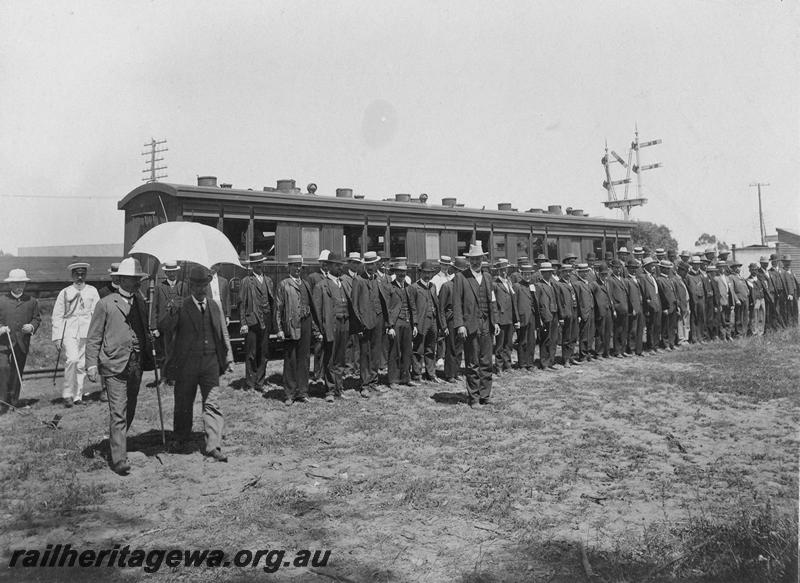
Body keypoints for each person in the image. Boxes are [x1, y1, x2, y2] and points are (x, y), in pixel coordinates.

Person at [85, 258, 153, 475]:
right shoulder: (105, 303)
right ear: (121, 280)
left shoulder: (141, 303)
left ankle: (117, 442)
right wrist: (91, 365)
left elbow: (144, 330)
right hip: (114, 365)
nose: (136, 283)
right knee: (118, 411)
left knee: (129, 408)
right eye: (132, 279)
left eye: (137, 279)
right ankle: (119, 459)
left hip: (135, 364)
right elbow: (94, 337)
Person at [162, 265, 232, 462]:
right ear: (190, 286)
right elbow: (165, 328)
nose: (201, 289)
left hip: (210, 364)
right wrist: (172, 311)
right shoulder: (181, 306)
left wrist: (227, 358)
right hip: (187, 365)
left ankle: (213, 445)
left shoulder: (213, 306)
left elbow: (221, 333)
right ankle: (181, 437)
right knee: (184, 403)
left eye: (204, 285)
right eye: (197, 285)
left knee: (213, 404)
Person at [452, 243, 499, 406]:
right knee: (473, 363)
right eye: (473, 259)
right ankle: (474, 398)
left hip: (486, 324)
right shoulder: (461, 277)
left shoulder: (487, 276)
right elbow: (456, 302)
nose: (476, 261)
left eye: (479, 258)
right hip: (470, 324)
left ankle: (485, 396)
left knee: (487, 362)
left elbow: (492, 300)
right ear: (469, 260)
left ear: (483, 259)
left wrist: (496, 321)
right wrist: (460, 325)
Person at [52, 262, 100, 407]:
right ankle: (67, 394)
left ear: (85, 274)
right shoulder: (65, 292)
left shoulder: (92, 291)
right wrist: (57, 337)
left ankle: (77, 396)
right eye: (76, 274)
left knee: (81, 365)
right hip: (69, 330)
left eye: (82, 274)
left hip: (87, 331)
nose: (79, 277)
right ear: (72, 275)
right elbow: (57, 315)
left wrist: (97, 332)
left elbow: (97, 313)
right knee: (72, 360)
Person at [275, 255, 319, 405]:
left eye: (299, 266)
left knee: (304, 359)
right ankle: (289, 394)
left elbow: (312, 307)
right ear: (289, 267)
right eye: (294, 266)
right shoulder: (284, 285)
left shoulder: (306, 284)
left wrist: (314, 327)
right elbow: (278, 308)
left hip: (306, 324)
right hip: (291, 325)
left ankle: (302, 392)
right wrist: (279, 329)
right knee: (290, 359)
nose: (297, 268)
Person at [312, 253, 352, 402]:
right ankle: (329, 391)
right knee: (330, 359)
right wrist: (318, 331)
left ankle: (339, 389)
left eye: (341, 265)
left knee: (341, 359)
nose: (339, 267)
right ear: (328, 266)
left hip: (344, 325)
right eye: (336, 265)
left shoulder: (343, 283)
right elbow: (316, 311)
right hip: (331, 327)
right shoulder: (321, 286)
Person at [0, 269, 41, 414]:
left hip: (22, 342)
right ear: (10, 284)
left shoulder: (31, 301)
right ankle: (2, 402)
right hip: (3, 343)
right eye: (16, 283)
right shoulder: (2, 300)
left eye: (22, 283)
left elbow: (37, 318)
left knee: (17, 371)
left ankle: (14, 401)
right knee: (3, 368)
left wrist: (31, 326)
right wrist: (1, 328)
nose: (19, 286)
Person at [351, 251, 390, 395]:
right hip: (365, 322)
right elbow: (354, 305)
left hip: (379, 320)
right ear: (365, 265)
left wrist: (387, 321)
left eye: (373, 264)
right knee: (365, 353)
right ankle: (364, 385)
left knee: (376, 352)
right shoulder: (359, 280)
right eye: (368, 264)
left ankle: (374, 381)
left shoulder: (378, 279)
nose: (371, 267)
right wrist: (358, 325)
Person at [238, 252, 274, 391]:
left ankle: (260, 382)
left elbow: (272, 302)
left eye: (260, 263)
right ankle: (250, 382)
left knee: (264, 352)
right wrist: (243, 323)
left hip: (266, 319)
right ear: (252, 266)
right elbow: (242, 304)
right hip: (252, 320)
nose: (259, 265)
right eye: (256, 264)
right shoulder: (246, 281)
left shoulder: (269, 281)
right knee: (251, 352)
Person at [410, 260, 445, 383]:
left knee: (431, 349)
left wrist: (440, 323)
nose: (427, 275)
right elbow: (412, 308)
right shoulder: (414, 287)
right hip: (421, 322)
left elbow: (437, 304)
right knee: (418, 349)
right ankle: (416, 375)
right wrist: (414, 324)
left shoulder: (433, 286)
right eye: (425, 272)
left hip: (433, 322)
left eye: (429, 273)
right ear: (420, 272)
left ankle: (431, 374)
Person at [149, 260, 185, 379]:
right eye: (169, 272)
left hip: (179, 325)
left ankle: (176, 377)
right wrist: (153, 327)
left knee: (178, 351)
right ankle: (164, 377)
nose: (172, 274)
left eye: (174, 271)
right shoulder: (160, 287)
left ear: (177, 272)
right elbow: (154, 307)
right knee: (165, 352)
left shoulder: (183, 286)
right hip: (164, 325)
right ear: (165, 272)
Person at [386, 262, 417, 390]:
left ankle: (406, 377)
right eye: (399, 272)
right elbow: (387, 308)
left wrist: (414, 324)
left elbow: (413, 307)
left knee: (407, 351)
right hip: (396, 323)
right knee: (394, 351)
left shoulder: (409, 288)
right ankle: (393, 379)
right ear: (395, 273)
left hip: (407, 322)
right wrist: (390, 326)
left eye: (404, 272)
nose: (402, 274)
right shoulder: (390, 288)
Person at [439, 257, 467, 382]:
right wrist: (443, 326)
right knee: (450, 348)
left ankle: (456, 372)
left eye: (463, 271)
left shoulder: (465, 287)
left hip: (461, 321)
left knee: (459, 347)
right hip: (450, 321)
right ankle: (449, 374)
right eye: (458, 271)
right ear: (454, 271)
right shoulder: (447, 286)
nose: (460, 274)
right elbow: (441, 309)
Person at [307, 250, 332, 381]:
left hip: (330, 318)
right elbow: (310, 300)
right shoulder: (313, 277)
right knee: (319, 347)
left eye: (327, 263)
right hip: (318, 317)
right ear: (320, 263)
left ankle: (327, 373)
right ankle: (318, 374)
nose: (325, 265)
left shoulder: (333, 277)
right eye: (323, 263)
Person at [492, 259, 518, 373]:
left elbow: (513, 301)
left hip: (510, 318)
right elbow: (494, 304)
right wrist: (496, 321)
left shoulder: (509, 282)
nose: (504, 272)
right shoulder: (495, 284)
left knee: (509, 343)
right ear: (498, 271)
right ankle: (498, 367)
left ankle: (507, 365)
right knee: (499, 345)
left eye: (505, 269)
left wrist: (516, 318)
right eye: (501, 270)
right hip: (501, 319)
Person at [513, 263, 540, 370]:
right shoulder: (517, 286)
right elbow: (515, 304)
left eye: (529, 274)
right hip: (522, 317)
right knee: (522, 341)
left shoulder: (532, 286)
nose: (527, 276)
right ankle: (522, 363)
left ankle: (530, 363)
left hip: (532, 317)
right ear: (521, 274)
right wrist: (517, 319)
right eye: (525, 274)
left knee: (531, 341)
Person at [535, 262, 560, 369]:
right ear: (542, 273)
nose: (549, 274)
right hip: (545, 315)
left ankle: (551, 361)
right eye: (546, 272)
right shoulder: (539, 285)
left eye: (550, 272)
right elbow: (537, 303)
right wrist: (540, 318)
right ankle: (544, 362)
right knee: (545, 339)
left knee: (554, 339)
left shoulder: (553, 284)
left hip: (554, 314)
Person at [572, 263, 595, 361]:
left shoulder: (587, 282)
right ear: (578, 273)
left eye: (586, 272)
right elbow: (577, 300)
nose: (585, 274)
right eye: (583, 272)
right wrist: (579, 314)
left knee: (590, 333)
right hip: (583, 312)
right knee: (584, 334)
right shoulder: (577, 284)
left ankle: (588, 352)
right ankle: (583, 354)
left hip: (590, 310)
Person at [608, 259, 630, 357]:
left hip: (625, 308)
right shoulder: (610, 280)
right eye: (616, 268)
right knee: (617, 330)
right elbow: (610, 296)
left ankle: (623, 349)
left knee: (625, 330)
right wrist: (613, 309)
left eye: (619, 268)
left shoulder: (622, 279)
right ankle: (617, 351)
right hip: (617, 308)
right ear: (612, 268)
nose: (618, 270)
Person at [592, 262, 614, 358]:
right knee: (600, 333)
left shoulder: (608, 283)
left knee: (608, 332)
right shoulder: (595, 284)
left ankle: (607, 351)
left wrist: (612, 308)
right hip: (600, 311)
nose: (604, 275)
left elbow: (610, 296)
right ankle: (599, 353)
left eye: (606, 274)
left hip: (608, 309)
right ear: (598, 273)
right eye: (603, 274)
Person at [729, 262, 750, 337]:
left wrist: (747, 292)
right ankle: (739, 333)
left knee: (745, 317)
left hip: (745, 299)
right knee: (739, 317)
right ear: (733, 269)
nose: (738, 269)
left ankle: (744, 332)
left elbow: (745, 287)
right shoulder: (731, 277)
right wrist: (736, 299)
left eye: (739, 267)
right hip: (739, 300)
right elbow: (731, 290)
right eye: (736, 267)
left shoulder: (741, 277)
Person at [747, 263, 767, 336]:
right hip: (755, 300)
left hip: (762, 299)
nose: (754, 271)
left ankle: (760, 332)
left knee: (762, 315)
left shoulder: (760, 278)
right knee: (754, 316)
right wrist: (752, 301)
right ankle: (754, 332)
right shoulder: (748, 280)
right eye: (753, 270)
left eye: (756, 269)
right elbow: (749, 292)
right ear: (750, 270)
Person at [780, 255, 798, 326]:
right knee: (789, 310)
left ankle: (796, 324)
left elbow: (795, 282)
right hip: (788, 294)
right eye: (786, 262)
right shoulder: (782, 272)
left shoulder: (791, 271)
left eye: (789, 262)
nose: (788, 263)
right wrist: (789, 294)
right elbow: (784, 284)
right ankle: (789, 325)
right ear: (783, 262)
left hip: (795, 292)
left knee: (795, 309)